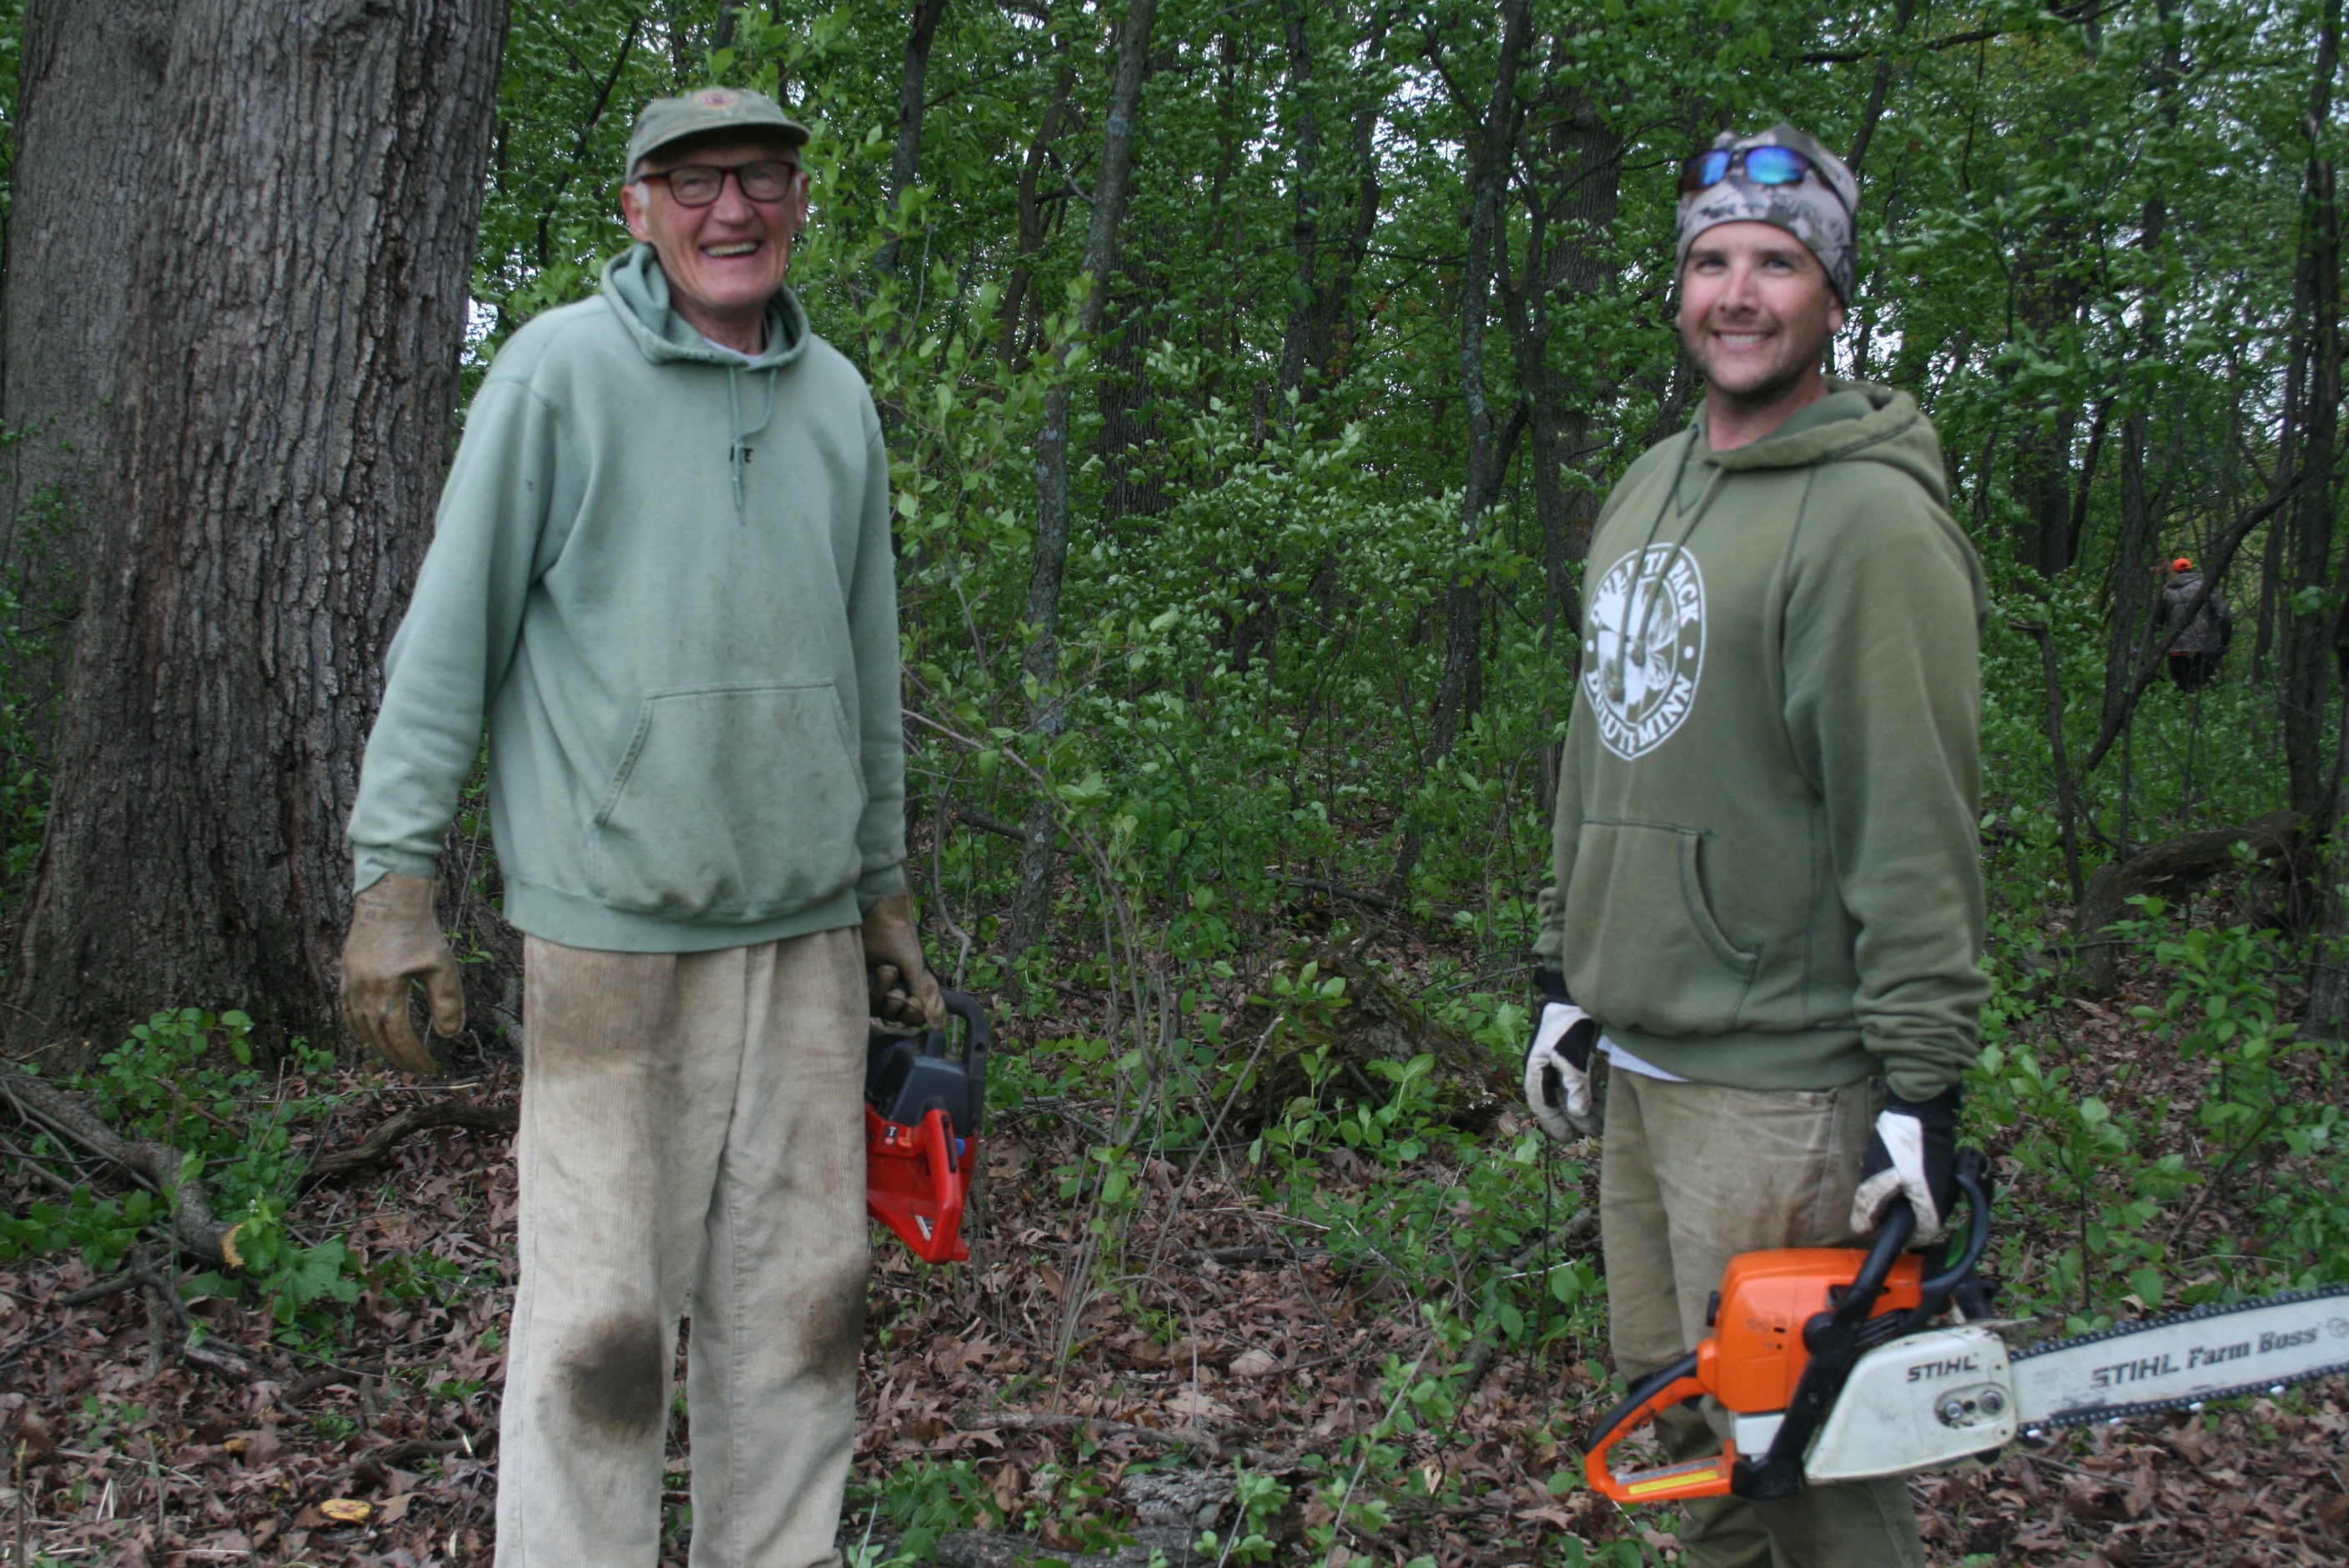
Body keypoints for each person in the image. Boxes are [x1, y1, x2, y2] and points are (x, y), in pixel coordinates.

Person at [337, 86, 947, 1567]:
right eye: (693, 183)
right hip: (611, 940)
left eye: (761, 178)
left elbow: (867, 668)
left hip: (804, 946)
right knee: (600, 1336)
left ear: (799, 200)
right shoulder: (558, 374)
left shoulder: (839, 402)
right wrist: (394, 883)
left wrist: (880, 890)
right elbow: (450, 638)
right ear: (638, 208)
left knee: (800, 1322)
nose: (731, 209)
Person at [1520, 124, 1988, 1567]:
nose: (1736, 293)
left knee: (1815, 1471)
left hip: (1781, 1093)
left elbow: (1912, 815)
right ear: (1678, 288)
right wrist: (1565, 971)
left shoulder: (1871, 524)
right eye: (1711, 261)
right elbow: (1604, 740)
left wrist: (1921, 1088)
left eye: (1776, 264)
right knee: (1689, 1451)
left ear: (1832, 296)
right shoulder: (1649, 484)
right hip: (1645, 1070)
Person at [2159, 555, 2231, 691]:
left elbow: (2156, 622)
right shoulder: (2206, 587)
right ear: (2191, 570)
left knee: (2181, 692)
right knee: (2202, 690)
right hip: (2204, 649)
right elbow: (2224, 615)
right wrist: (2224, 641)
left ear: (2174, 572)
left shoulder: (2167, 592)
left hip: (2177, 651)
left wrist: (2138, 647)